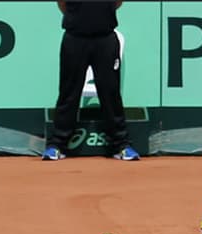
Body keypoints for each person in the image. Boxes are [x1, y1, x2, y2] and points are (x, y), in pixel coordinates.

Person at [42, 0, 140, 161]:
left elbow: (117, 2)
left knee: (111, 93)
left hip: (106, 39)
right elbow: (62, 3)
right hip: (74, 38)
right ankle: (57, 145)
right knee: (68, 93)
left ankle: (121, 145)